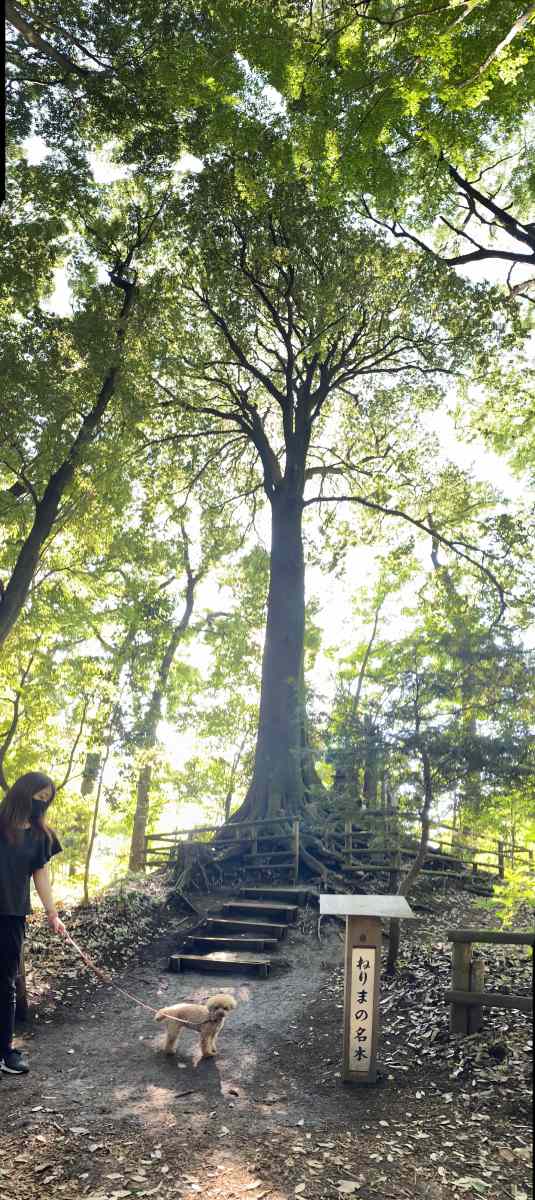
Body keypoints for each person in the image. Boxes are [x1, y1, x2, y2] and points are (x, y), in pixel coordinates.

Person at [0, 771, 65, 1075]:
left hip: (12, 914)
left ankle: (5, 1052)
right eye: (38, 797)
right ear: (23, 792)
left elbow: (40, 875)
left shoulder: (41, 836)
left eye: (46, 801)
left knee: (5, 985)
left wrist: (52, 913)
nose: (41, 804)